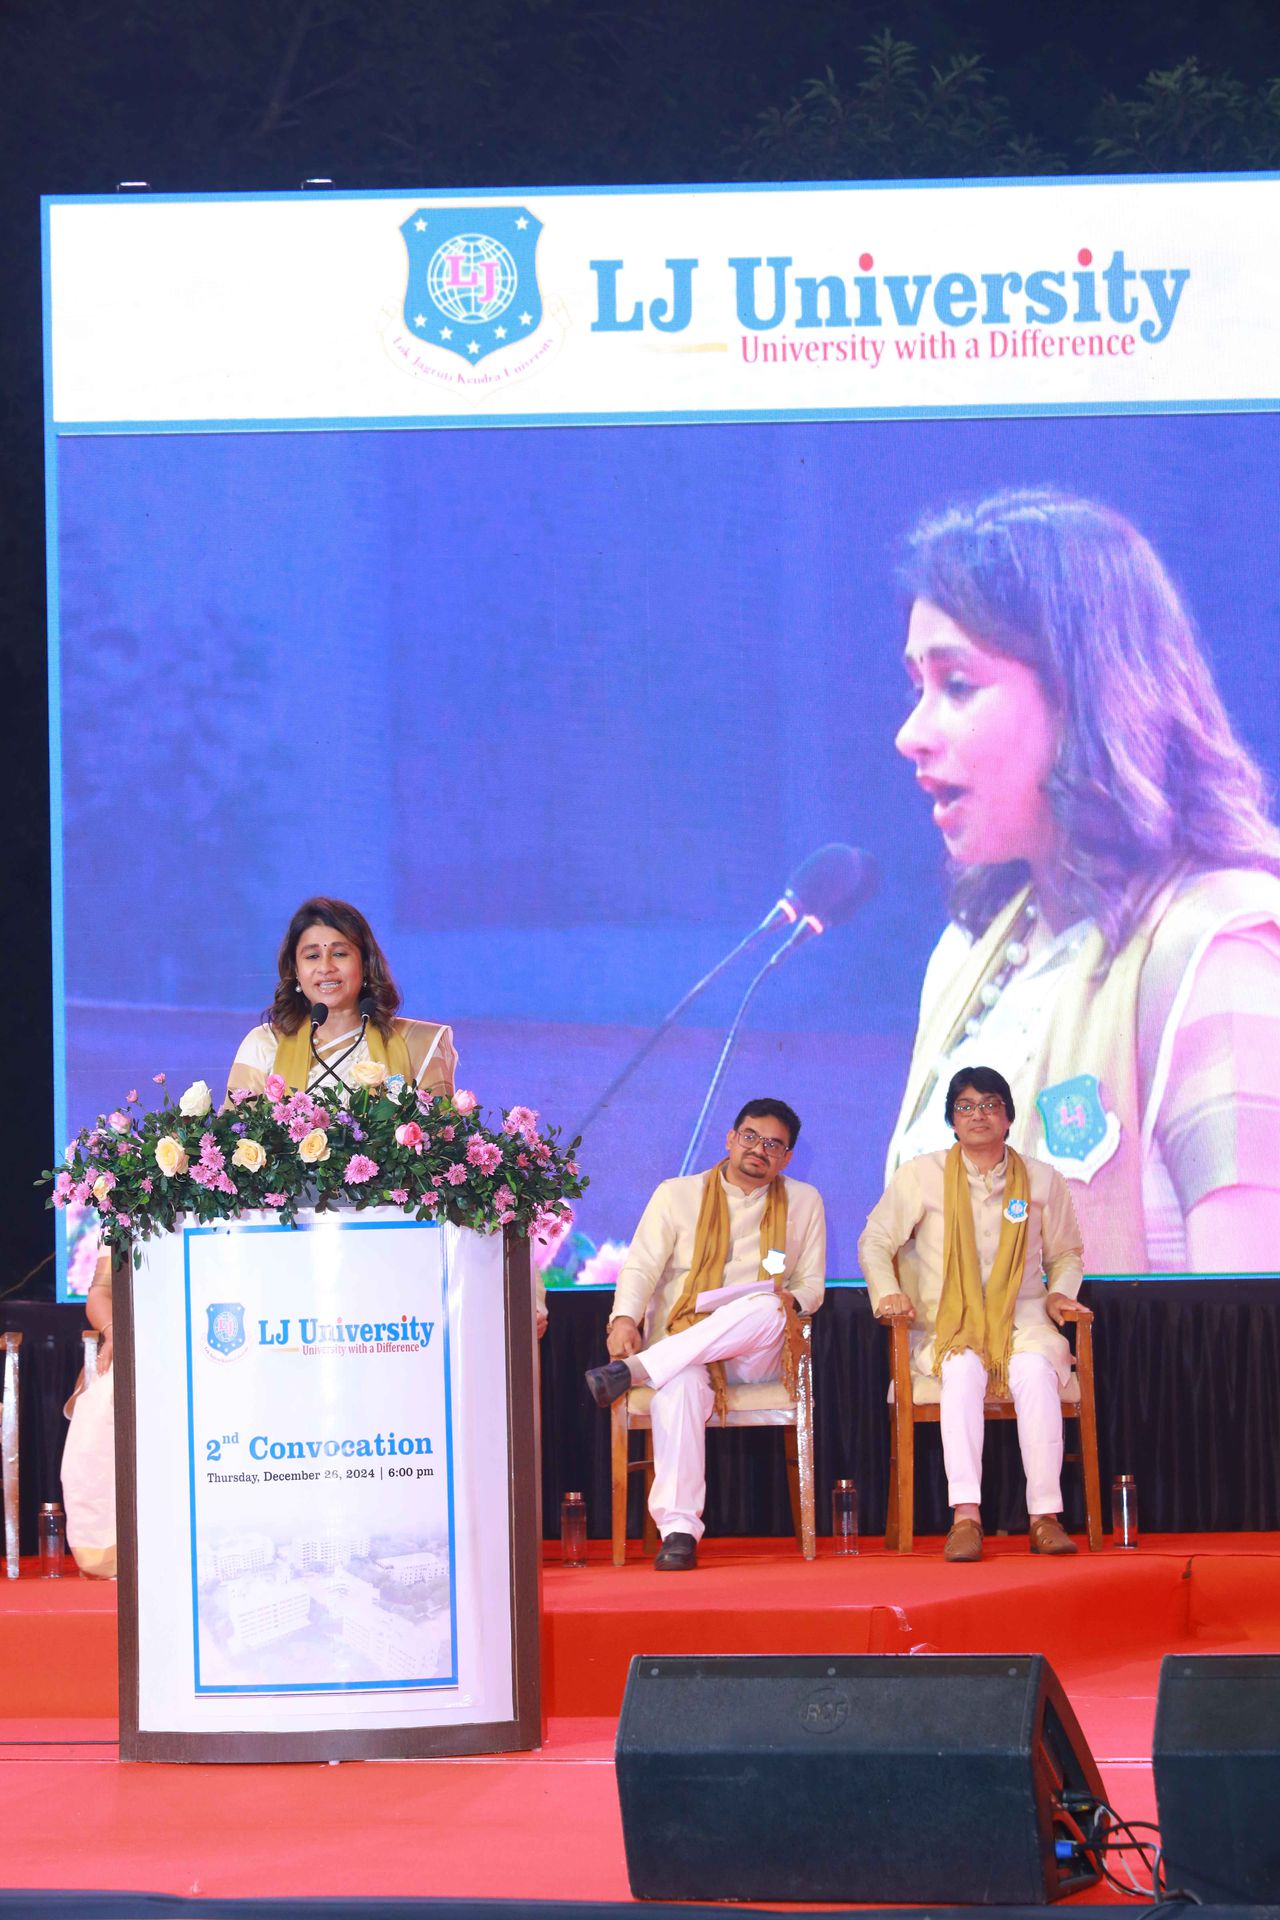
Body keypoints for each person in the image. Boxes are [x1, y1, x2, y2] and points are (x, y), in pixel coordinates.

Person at [887, 488, 1280, 1275]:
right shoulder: (967, 961)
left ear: (1082, 694)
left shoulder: (1218, 957)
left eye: (957, 685)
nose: (911, 734)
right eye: (916, 688)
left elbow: (1246, 1336)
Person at [584, 1099, 825, 1570]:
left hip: (755, 1354)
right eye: (751, 1137)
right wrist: (624, 1319)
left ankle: (634, 1371)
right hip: (686, 1345)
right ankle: (678, 1532)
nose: (759, 1150)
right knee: (677, 1385)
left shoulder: (804, 1201)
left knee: (766, 1304)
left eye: (773, 1144)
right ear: (730, 1138)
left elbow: (811, 1287)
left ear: (787, 1158)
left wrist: (786, 1301)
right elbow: (641, 1267)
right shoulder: (677, 1195)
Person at [860, 1066, 1084, 1561]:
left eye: (989, 1105)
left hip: (1023, 1322)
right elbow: (875, 1240)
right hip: (948, 1326)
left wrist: (1059, 1295)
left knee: (1035, 1372)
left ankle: (1045, 1517)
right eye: (965, 1106)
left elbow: (1067, 1254)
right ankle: (966, 1516)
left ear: (1008, 1117)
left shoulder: (1043, 1180)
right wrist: (888, 1293)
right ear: (952, 1121)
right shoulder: (921, 1175)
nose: (977, 1115)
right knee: (960, 1370)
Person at [226, 897, 457, 1102]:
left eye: (339, 954)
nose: (326, 967)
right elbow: (238, 1133)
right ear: (296, 970)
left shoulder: (417, 1044)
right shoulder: (265, 1045)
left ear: (365, 964)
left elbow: (437, 1134)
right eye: (312, 956)